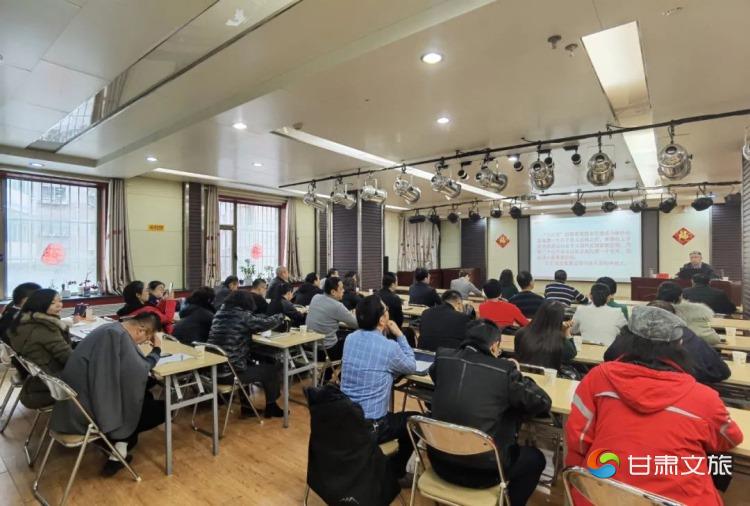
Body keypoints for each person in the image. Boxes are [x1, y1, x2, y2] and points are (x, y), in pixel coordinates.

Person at [565, 305, 743, 505]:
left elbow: (578, 439)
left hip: (601, 495)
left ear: (626, 340)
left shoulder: (598, 378)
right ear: (680, 344)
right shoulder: (703, 398)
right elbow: (730, 438)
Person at [429, 319, 551, 505]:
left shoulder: (443, 358)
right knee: (536, 459)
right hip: (484, 473)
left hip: (439, 461)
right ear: (494, 346)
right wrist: (518, 375)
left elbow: (435, 376)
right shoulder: (505, 371)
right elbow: (542, 401)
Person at [50, 312, 166, 477]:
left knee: (143, 395)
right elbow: (141, 369)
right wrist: (157, 349)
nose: (143, 343)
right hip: (87, 411)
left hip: (73, 404)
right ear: (140, 330)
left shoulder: (109, 328)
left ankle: (119, 447)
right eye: (146, 339)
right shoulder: (118, 336)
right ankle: (118, 450)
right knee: (162, 409)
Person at [340, 295, 417, 481]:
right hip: (373, 426)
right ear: (382, 319)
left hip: (347, 419)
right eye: (386, 310)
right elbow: (411, 366)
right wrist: (400, 335)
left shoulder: (350, 339)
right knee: (414, 421)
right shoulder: (389, 347)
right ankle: (396, 472)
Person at [605, 301, 730, 385]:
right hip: (682, 394)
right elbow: (721, 372)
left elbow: (608, 357)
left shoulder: (628, 337)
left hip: (628, 387)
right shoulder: (688, 337)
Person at [207, 290, 286, 417]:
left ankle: (247, 407)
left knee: (248, 363)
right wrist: (281, 316)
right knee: (270, 371)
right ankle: (272, 408)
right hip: (230, 373)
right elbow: (265, 324)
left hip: (214, 370)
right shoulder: (243, 316)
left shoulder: (219, 314)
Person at [7, 289, 73, 409]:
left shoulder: (22, 322)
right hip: (56, 378)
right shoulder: (45, 328)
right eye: (53, 303)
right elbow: (68, 358)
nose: (59, 305)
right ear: (39, 304)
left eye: (60, 301)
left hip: (41, 376)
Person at [514, 300, 577, 371]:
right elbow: (572, 354)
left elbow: (517, 353)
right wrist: (566, 331)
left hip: (523, 375)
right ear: (559, 318)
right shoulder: (559, 339)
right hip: (550, 376)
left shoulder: (521, 333)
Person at [306, 277, 358, 361]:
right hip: (327, 351)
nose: (344, 290)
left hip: (310, 349)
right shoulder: (337, 306)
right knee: (355, 338)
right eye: (341, 289)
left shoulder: (315, 297)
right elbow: (356, 324)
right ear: (333, 292)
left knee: (341, 333)